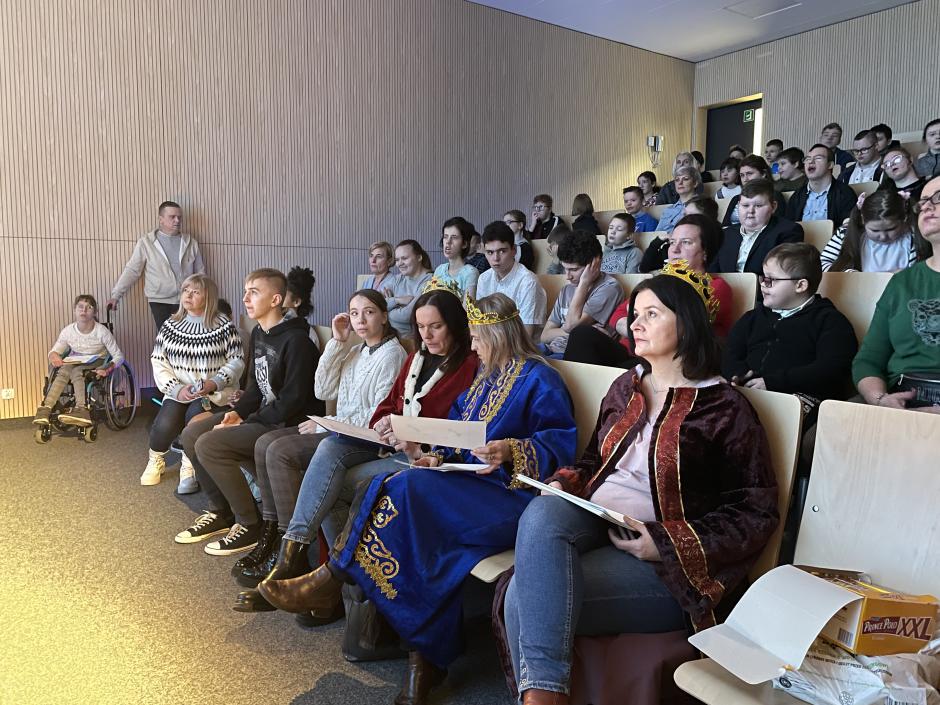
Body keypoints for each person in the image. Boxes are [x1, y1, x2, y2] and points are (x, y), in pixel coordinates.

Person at [258, 293, 578, 705]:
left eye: (477, 337)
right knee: (413, 524)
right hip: (467, 486)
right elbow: (457, 435)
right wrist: (433, 455)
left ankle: (337, 577)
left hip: (512, 496)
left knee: (402, 490)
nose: (473, 345)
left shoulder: (540, 378)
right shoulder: (484, 380)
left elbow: (561, 447)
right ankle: (422, 659)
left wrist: (511, 450)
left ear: (497, 335)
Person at [502, 274, 779, 705]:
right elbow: (593, 460)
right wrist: (562, 482)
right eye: (635, 314)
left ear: (686, 323)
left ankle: (541, 698)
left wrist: (665, 544)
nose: (635, 323)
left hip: (666, 563)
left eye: (652, 314)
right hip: (597, 519)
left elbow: (755, 510)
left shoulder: (725, 407)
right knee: (540, 512)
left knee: (522, 596)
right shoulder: (625, 386)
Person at [234, 284, 478, 614]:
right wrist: (386, 422)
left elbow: (462, 426)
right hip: (390, 446)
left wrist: (412, 436)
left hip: (427, 460)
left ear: (455, 325)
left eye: (436, 326)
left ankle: (329, 583)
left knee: (330, 481)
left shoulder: (468, 366)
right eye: (421, 327)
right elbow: (385, 404)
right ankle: (300, 561)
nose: (427, 335)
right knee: (329, 449)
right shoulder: (416, 358)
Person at [229, 288, 407, 604]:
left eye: (368, 312)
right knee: (268, 444)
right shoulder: (356, 351)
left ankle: (293, 554)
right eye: (354, 313)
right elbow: (322, 389)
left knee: (282, 451)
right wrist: (338, 342)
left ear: (383, 315)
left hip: (369, 441)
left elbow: (375, 419)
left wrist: (327, 422)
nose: (360, 320)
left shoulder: (392, 355)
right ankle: (283, 541)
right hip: (342, 432)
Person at [174, 269, 320, 554]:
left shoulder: (297, 341)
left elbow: (292, 402)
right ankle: (222, 512)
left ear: (275, 300)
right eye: (245, 292)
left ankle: (250, 524)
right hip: (264, 415)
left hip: (287, 424)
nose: (245, 298)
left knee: (210, 444)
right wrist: (237, 413)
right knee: (191, 434)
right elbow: (254, 388)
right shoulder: (259, 333)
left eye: (254, 292)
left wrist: (247, 421)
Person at [565, 215, 732, 369]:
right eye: (672, 242)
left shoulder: (715, 287)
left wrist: (631, 326)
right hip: (630, 352)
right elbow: (617, 315)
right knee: (582, 335)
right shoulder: (659, 281)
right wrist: (638, 330)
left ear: (705, 252)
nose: (675, 249)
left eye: (686, 242)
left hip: (665, 361)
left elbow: (678, 329)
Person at [725, 243, 858, 428]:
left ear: (800, 285)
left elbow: (830, 369)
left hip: (799, 397)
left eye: (771, 280)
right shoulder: (753, 317)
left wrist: (772, 382)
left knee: (758, 424)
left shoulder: (830, 321)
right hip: (748, 391)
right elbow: (729, 353)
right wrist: (739, 375)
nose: (763, 284)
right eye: (763, 277)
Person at [143, 274, 244, 493]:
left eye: (195, 291)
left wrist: (215, 382)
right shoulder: (170, 325)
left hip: (212, 393)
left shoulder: (224, 326)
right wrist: (176, 389)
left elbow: (236, 361)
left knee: (193, 421)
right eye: (186, 290)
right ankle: (156, 459)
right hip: (179, 390)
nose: (188, 295)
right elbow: (158, 360)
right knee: (164, 425)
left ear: (209, 297)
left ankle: (188, 466)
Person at [852, 176, 940, 413]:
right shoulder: (901, 283)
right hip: (900, 396)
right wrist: (880, 399)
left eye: (938, 198)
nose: (927, 206)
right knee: (823, 428)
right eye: (923, 201)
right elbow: (868, 360)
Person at [108, 201, 206, 330]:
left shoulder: (190, 242)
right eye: (172, 217)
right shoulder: (146, 243)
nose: (177, 220)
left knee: (189, 335)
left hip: (187, 299)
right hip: (160, 300)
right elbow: (132, 270)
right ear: (161, 219)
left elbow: (200, 273)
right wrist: (116, 295)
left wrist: (204, 296)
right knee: (166, 337)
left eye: (179, 217)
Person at [32, 295, 124, 428]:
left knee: (76, 371)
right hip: (76, 359)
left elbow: (119, 356)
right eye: (80, 307)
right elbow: (54, 351)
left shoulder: (102, 332)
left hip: (97, 360)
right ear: (75, 310)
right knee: (64, 370)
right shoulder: (68, 331)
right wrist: (54, 356)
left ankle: (81, 409)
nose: (84, 310)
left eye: (89, 307)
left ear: (95, 312)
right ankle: (46, 408)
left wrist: (108, 367)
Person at [541, 230, 624, 357]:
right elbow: (545, 336)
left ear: (595, 263)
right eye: (565, 269)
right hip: (550, 350)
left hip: (573, 356)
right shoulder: (567, 289)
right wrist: (582, 331)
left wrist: (584, 282)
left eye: (574, 269)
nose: (568, 276)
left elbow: (570, 326)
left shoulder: (610, 288)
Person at [712, 179, 804, 275]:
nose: (750, 211)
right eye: (745, 205)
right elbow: (712, 272)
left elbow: (782, 274)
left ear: (773, 207)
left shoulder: (788, 231)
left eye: (758, 206)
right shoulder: (725, 234)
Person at [476, 221, 548, 341]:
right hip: (492, 343)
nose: (495, 258)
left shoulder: (528, 281)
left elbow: (526, 334)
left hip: (522, 346)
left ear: (514, 250)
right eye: (490, 252)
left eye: (502, 251)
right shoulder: (484, 278)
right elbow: (480, 322)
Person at [822, 190, 923, 272]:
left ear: (904, 219)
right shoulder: (845, 233)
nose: (883, 236)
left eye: (891, 229)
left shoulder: (915, 237)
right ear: (863, 220)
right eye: (875, 230)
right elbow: (822, 264)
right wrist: (852, 276)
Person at [639, 195, 717, 274]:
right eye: (684, 215)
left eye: (692, 216)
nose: (684, 219)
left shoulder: (716, 246)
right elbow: (644, 268)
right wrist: (656, 242)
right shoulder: (671, 247)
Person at [785, 145, 857, 225]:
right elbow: (788, 227)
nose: (810, 162)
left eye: (818, 158)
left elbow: (848, 228)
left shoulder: (844, 193)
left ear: (830, 165)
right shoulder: (797, 196)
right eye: (807, 159)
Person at [383, 239, 432, 338]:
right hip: (389, 339)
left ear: (419, 257)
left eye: (404, 258)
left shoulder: (430, 281)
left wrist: (385, 312)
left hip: (412, 342)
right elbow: (375, 304)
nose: (399, 263)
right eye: (397, 260)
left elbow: (408, 315)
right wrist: (397, 300)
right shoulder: (397, 279)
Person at [722, 155, 786, 226]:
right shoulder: (736, 198)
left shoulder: (775, 196)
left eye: (749, 174)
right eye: (742, 175)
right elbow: (725, 226)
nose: (745, 179)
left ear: (763, 174)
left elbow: (777, 226)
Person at [433, 217, 479, 299]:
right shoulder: (439, 270)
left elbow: (468, 306)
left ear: (464, 244)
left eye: (454, 237)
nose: (448, 242)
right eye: (445, 237)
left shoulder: (470, 272)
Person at [657, 166, 700, 233]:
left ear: (695, 183)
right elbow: (657, 234)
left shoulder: (701, 206)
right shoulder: (668, 210)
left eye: (685, 179)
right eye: (677, 180)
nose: (680, 183)